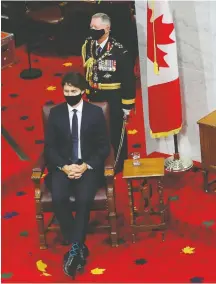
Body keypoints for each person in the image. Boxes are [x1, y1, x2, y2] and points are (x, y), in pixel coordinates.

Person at [44, 72, 110, 278]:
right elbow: (49, 148)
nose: (69, 94)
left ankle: (73, 249)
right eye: (66, 90)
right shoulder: (55, 114)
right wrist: (64, 167)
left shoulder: (95, 113)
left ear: (83, 91)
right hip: (63, 167)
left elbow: (103, 147)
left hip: (86, 167)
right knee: (59, 198)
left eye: (73, 91)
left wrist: (86, 166)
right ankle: (78, 246)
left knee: (83, 200)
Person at [82, 12, 135, 173]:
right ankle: (100, 160)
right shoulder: (88, 45)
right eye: (91, 26)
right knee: (96, 129)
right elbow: (87, 70)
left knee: (115, 129)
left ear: (107, 29)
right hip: (94, 95)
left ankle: (119, 162)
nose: (92, 30)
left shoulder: (120, 52)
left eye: (96, 27)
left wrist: (127, 105)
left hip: (113, 98)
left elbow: (128, 80)